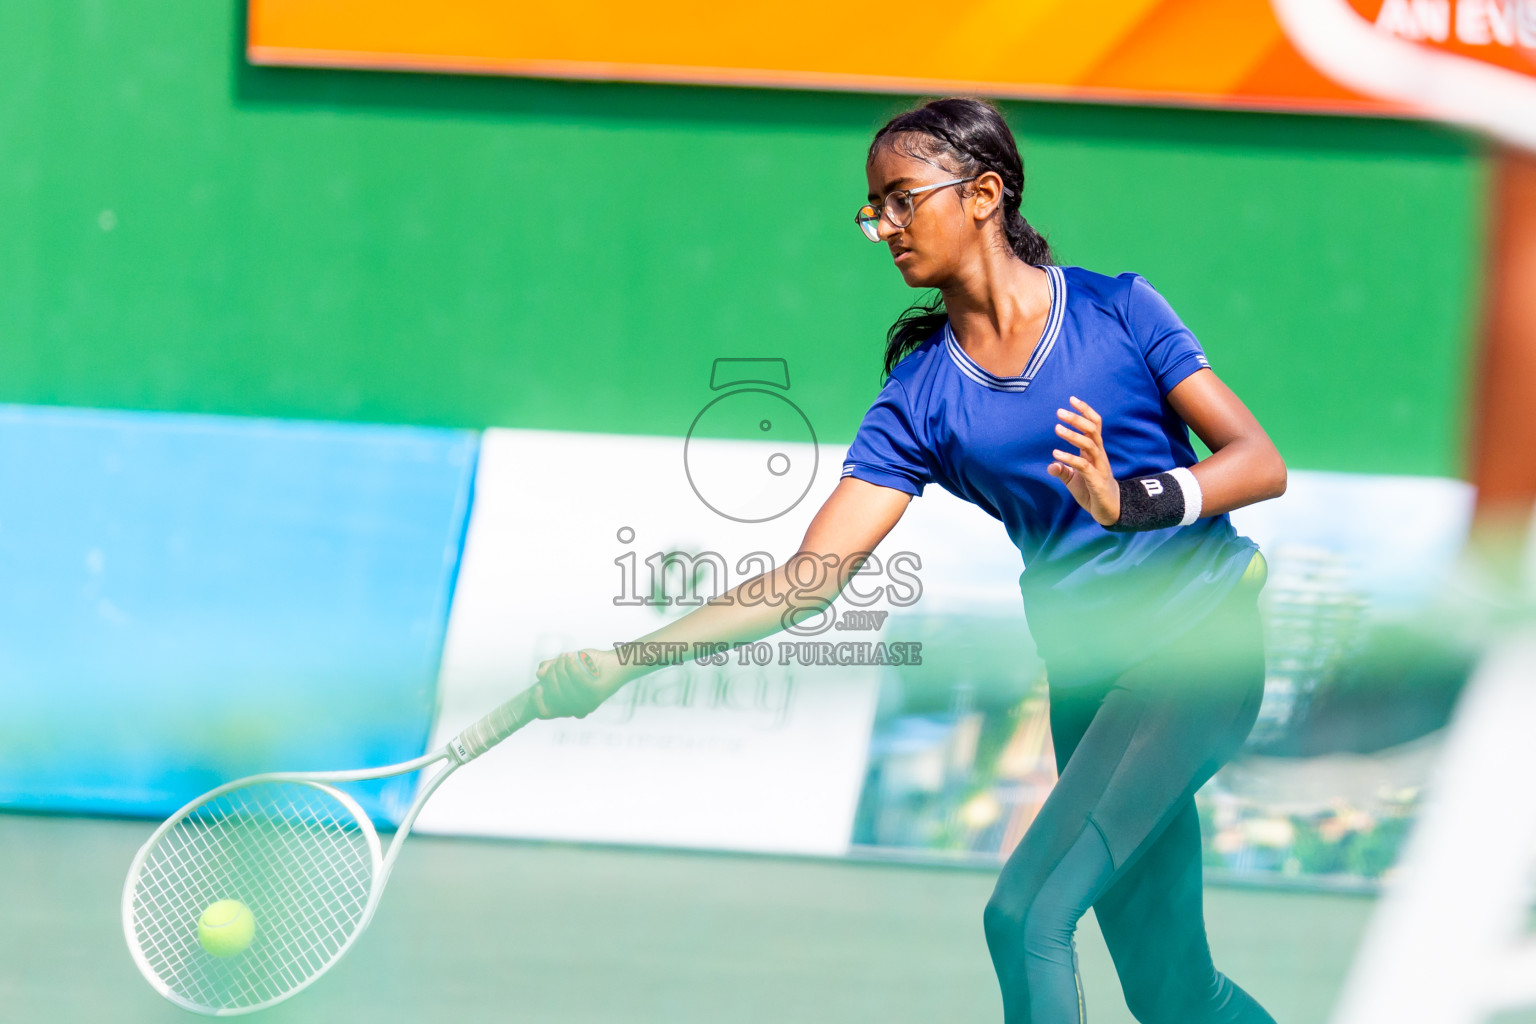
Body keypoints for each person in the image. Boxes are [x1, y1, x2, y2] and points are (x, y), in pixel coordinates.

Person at [532, 97, 1286, 1024]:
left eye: (901, 200)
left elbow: (1257, 461)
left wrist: (1133, 500)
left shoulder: (1118, 309)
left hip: (1198, 648)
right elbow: (809, 578)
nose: (883, 227)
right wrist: (626, 660)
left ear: (983, 194)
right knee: (1175, 995)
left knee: (1025, 918)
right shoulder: (921, 394)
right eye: (873, 209)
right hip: (1091, 682)